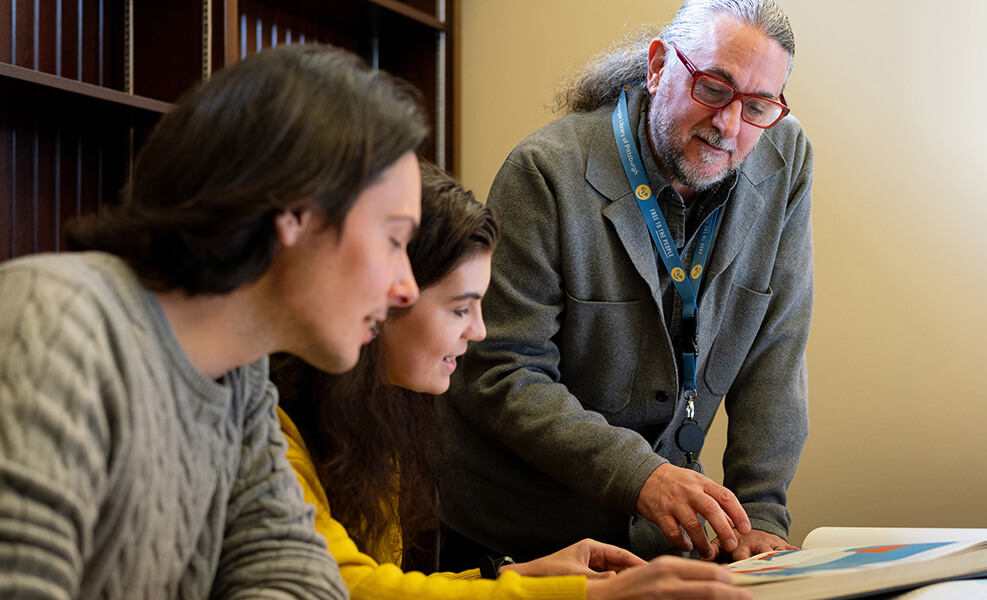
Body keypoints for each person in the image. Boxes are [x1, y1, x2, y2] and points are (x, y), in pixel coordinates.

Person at [0, 44, 428, 599]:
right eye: (394, 241)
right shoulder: (59, 326)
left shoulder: (240, 379)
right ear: (295, 213)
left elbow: (298, 578)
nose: (407, 289)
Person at [438, 0, 813, 568]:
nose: (729, 125)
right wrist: (643, 475)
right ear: (660, 66)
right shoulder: (546, 172)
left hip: (659, 540)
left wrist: (760, 514)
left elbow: (775, 349)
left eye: (758, 106)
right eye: (713, 88)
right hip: (521, 540)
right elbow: (504, 368)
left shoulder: (786, 158)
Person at [271, 162, 751, 599]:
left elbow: (385, 587)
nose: (478, 331)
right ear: (389, 293)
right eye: (461, 308)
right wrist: (585, 597)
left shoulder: (379, 413)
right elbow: (345, 586)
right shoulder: (273, 427)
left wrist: (514, 577)